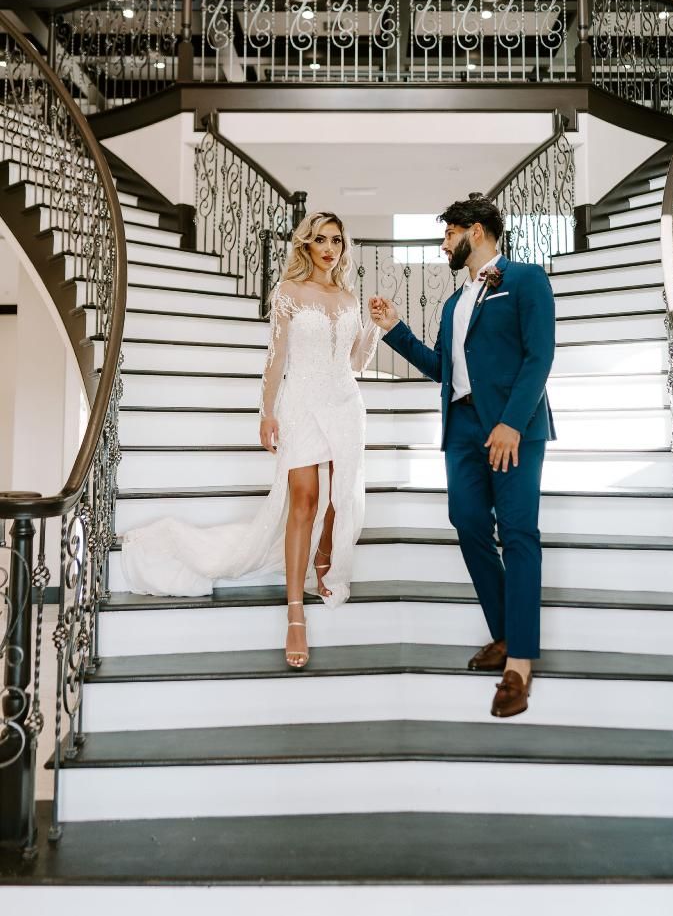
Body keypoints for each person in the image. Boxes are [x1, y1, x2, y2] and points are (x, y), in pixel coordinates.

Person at [121, 211, 380, 670]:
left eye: (336, 240)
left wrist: (377, 326)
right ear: (306, 245)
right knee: (304, 498)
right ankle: (295, 612)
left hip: (345, 401)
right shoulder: (288, 293)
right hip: (301, 401)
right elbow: (276, 357)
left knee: (341, 495)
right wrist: (265, 411)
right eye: (320, 240)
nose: (329, 248)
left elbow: (356, 362)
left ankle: (325, 554)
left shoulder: (348, 296)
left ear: (343, 247)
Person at [368, 197, 555, 718]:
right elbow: (442, 369)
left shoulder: (526, 280)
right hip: (463, 426)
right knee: (468, 521)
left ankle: (518, 663)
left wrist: (512, 423)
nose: (444, 243)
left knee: (517, 533)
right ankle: (505, 630)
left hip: (513, 426)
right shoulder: (454, 304)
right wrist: (396, 330)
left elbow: (540, 357)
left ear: (476, 231)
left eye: (449, 234)